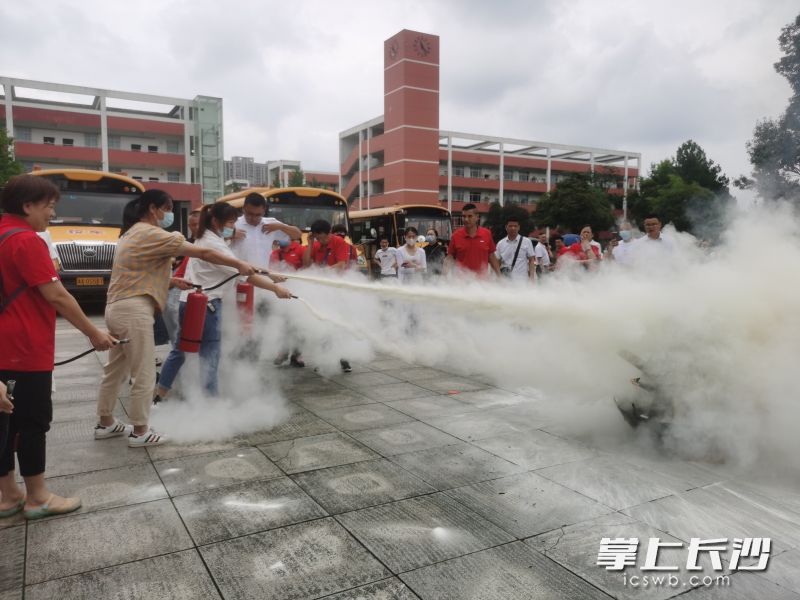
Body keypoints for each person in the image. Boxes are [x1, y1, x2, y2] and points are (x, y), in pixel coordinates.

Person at [94, 190, 256, 448]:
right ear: (153, 209)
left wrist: (170, 281)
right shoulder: (152, 233)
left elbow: (137, 270)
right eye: (167, 208)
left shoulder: (131, 232)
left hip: (116, 307)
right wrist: (239, 266)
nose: (168, 214)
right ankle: (140, 431)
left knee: (116, 370)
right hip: (134, 310)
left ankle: (105, 423)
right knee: (144, 371)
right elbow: (204, 254)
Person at [0, 175, 116, 519]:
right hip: (24, 347)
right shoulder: (26, 241)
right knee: (32, 422)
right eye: (50, 206)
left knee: (5, 422)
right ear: (28, 206)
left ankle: (8, 495)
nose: (52, 214)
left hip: (6, 346)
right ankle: (38, 497)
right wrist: (93, 333)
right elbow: (57, 295)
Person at [155, 203, 292, 402]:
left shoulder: (205, 238)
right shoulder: (214, 244)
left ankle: (160, 395)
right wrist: (275, 288)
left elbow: (239, 265)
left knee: (180, 351)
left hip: (190, 302)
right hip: (207, 306)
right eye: (230, 222)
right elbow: (244, 274)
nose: (233, 227)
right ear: (216, 221)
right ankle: (210, 401)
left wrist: (270, 274)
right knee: (210, 355)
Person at [303, 219, 354, 372]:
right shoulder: (317, 245)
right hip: (322, 292)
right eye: (316, 238)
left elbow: (341, 265)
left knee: (339, 326)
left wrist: (322, 272)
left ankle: (344, 358)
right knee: (323, 326)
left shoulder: (339, 242)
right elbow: (306, 264)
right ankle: (323, 359)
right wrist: (311, 244)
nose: (320, 240)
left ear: (329, 232)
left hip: (337, 291)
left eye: (321, 237)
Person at [230, 192, 301, 268]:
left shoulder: (272, 224)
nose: (253, 218)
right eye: (250, 214)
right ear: (243, 209)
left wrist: (281, 227)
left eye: (258, 215)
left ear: (264, 211)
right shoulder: (234, 223)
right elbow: (217, 232)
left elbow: (297, 235)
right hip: (239, 275)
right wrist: (231, 233)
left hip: (263, 274)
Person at [163, 209, 201, 344]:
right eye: (192, 225)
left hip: (197, 286)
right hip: (180, 284)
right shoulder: (186, 243)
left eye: (198, 224)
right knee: (171, 310)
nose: (195, 227)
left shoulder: (208, 242)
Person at [444, 204, 501, 277]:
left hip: (482, 284)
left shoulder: (487, 234)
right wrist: (443, 277)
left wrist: (499, 276)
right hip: (461, 283)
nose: (466, 219)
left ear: (477, 217)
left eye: (470, 216)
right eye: (464, 216)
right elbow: (450, 257)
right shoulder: (455, 236)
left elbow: (492, 257)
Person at [495, 218, 536, 283]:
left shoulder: (527, 242)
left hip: (522, 280)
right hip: (505, 281)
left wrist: (532, 277)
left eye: (515, 226)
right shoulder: (500, 244)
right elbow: (497, 261)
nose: (513, 228)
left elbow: (531, 260)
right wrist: (498, 277)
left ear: (519, 227)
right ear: (506, 227)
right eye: (510, 226)